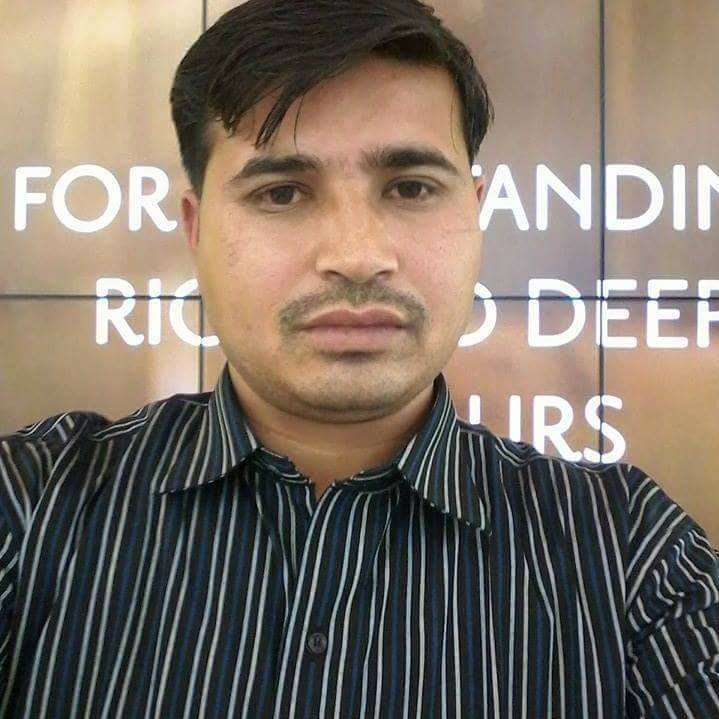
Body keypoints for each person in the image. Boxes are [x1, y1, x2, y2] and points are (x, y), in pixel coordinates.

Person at [1, 0, 717, 716]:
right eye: (282, 192)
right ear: (195, 229)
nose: (356, 255)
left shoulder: (627, 555)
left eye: (410, 188)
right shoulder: (32, 508)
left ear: (474, 212)